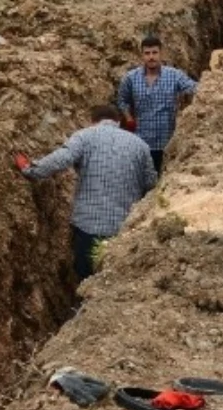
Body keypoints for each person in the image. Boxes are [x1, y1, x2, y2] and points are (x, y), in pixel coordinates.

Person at [14, 105, 157, 281]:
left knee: (86, 278)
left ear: (93, 121)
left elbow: (61, 159)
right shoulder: (140, 145)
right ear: (118, 122)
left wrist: (31, 169)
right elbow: (151, 184)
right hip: (125, 227)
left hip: (89, 225)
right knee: (117, 281)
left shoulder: (85, 136)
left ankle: (84, 306)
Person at [117, 35, 197, 175]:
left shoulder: (174, 75)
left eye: (154, 52)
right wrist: (129, 118)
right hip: (141, 142)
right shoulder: (130, 78)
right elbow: (122, 101)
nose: (151, 57)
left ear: (161, 53)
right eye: (147, 53)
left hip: (166, 142)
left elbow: (195, 89)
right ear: (141, 55)